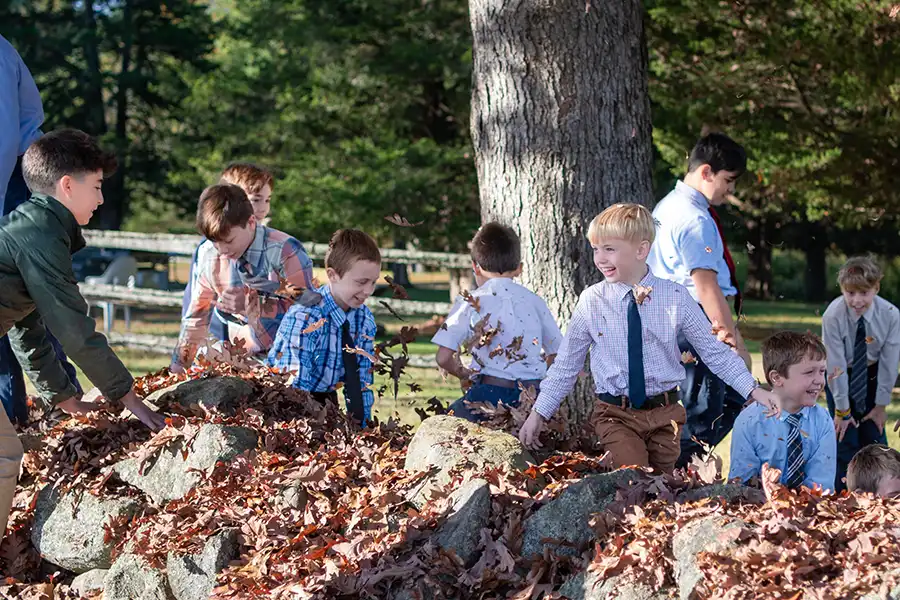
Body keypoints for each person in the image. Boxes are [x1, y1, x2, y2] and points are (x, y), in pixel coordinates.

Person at [517, 203, 780, 473]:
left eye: (609, 249)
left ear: (641, 250)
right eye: (596, 249)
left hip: (665, 415)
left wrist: (754, 390)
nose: (600, 259)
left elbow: (715, 352)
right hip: (615, 414)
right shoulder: (592, 301)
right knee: (634, 476)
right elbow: (566, 365)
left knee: (661, 485)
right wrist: (539, 413)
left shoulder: (675, 297)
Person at [0, 128, 166, 539]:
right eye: (96, 186)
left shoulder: (35, 229)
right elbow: (72, 325)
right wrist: (128, 397)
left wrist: (65, 398)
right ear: (67, 186)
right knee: (3, 457)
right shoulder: (38, 234)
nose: (101, 199)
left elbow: (28, 328)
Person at [647, 132, 751, 467]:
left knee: (716, 404)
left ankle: (675, 472)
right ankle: (674, 477)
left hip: (677, 319)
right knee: (705, 412)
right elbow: (706, 287)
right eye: (728, 180)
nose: (730, 190)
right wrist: (733, 343)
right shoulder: (693, 218)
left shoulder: (669, 206)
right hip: (695, 322)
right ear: (706, 172)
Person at [0, 33, 81, 425]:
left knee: (26, 305)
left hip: (14, 180)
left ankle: (58, 412)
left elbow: (7, 137)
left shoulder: (1, 54)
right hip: (17, 176)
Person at [171, 183, 313, 372]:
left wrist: (253, 306)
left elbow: (309, 311)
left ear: (251, 222)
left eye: (228, 240)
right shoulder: (209, 254)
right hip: (239, 359)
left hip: (290, 359)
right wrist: (178, 369)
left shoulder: (285, 251)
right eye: (215, 242)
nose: (222, 250)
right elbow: (196, 318)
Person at [431, 222, 562, 421]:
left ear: (475, 267)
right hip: (531, 397)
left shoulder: (470, 302)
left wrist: (464, 374)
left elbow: (443, 357)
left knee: (444, 425)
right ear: (519, 268)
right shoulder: (535, 301)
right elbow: (556, 353)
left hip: (488, 394)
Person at [268, 229, 381, 425]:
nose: (368, 291)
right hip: (284, 402)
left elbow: (361, 381)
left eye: (373, 282)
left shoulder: (364, 320)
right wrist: (302, 429)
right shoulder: (306, 317)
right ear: (332, 275)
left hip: (326, 399)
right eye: (361, 282)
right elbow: (294, 385)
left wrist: (364, 428)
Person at [822, 256, 900, 491]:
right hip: (839, 375)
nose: (857, 300)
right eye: (850, 293)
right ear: (842, 290)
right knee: (844, 437)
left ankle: (883, 494)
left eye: (864, 293)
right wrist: (842, 411)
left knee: (874, 436)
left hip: (873, 374)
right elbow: (835, 364)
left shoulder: (891, 314)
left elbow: (889, 363)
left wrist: (880, 406)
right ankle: (844, 495)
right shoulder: (833, 315)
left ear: (876, 287)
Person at [180, 163, 276, 343]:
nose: (263, 208)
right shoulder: (209, 251)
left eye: (267, 200)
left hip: (261, 341)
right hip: (219, 337)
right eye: (255, 200)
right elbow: (195, 306)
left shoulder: (272, 247)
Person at [729, 331, 836, 491]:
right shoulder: (749, 422)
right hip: (758, 503)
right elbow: (741, 484)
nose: (820, 380)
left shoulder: (823, 420)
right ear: (777, 378)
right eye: (809, 372)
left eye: (822, 371)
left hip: (811, 505)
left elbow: (821, 483)